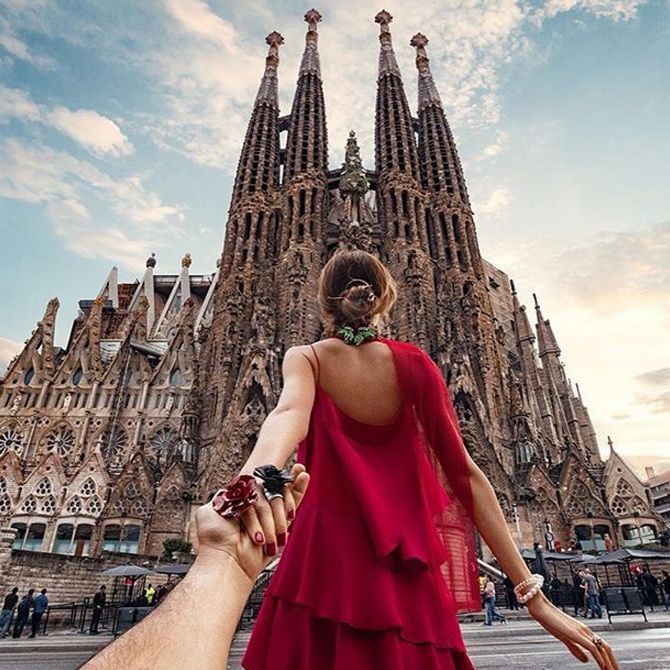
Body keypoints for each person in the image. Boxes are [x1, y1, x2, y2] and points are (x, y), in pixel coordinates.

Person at [81, 250, 618, 670]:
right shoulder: (417, 367)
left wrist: (253, 479)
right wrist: (534, 597)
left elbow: (284, 417)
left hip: (318, 569)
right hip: (405, 578)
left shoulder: (308, 358)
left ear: (325, 303)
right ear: (386, 298)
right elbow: (468, 476)